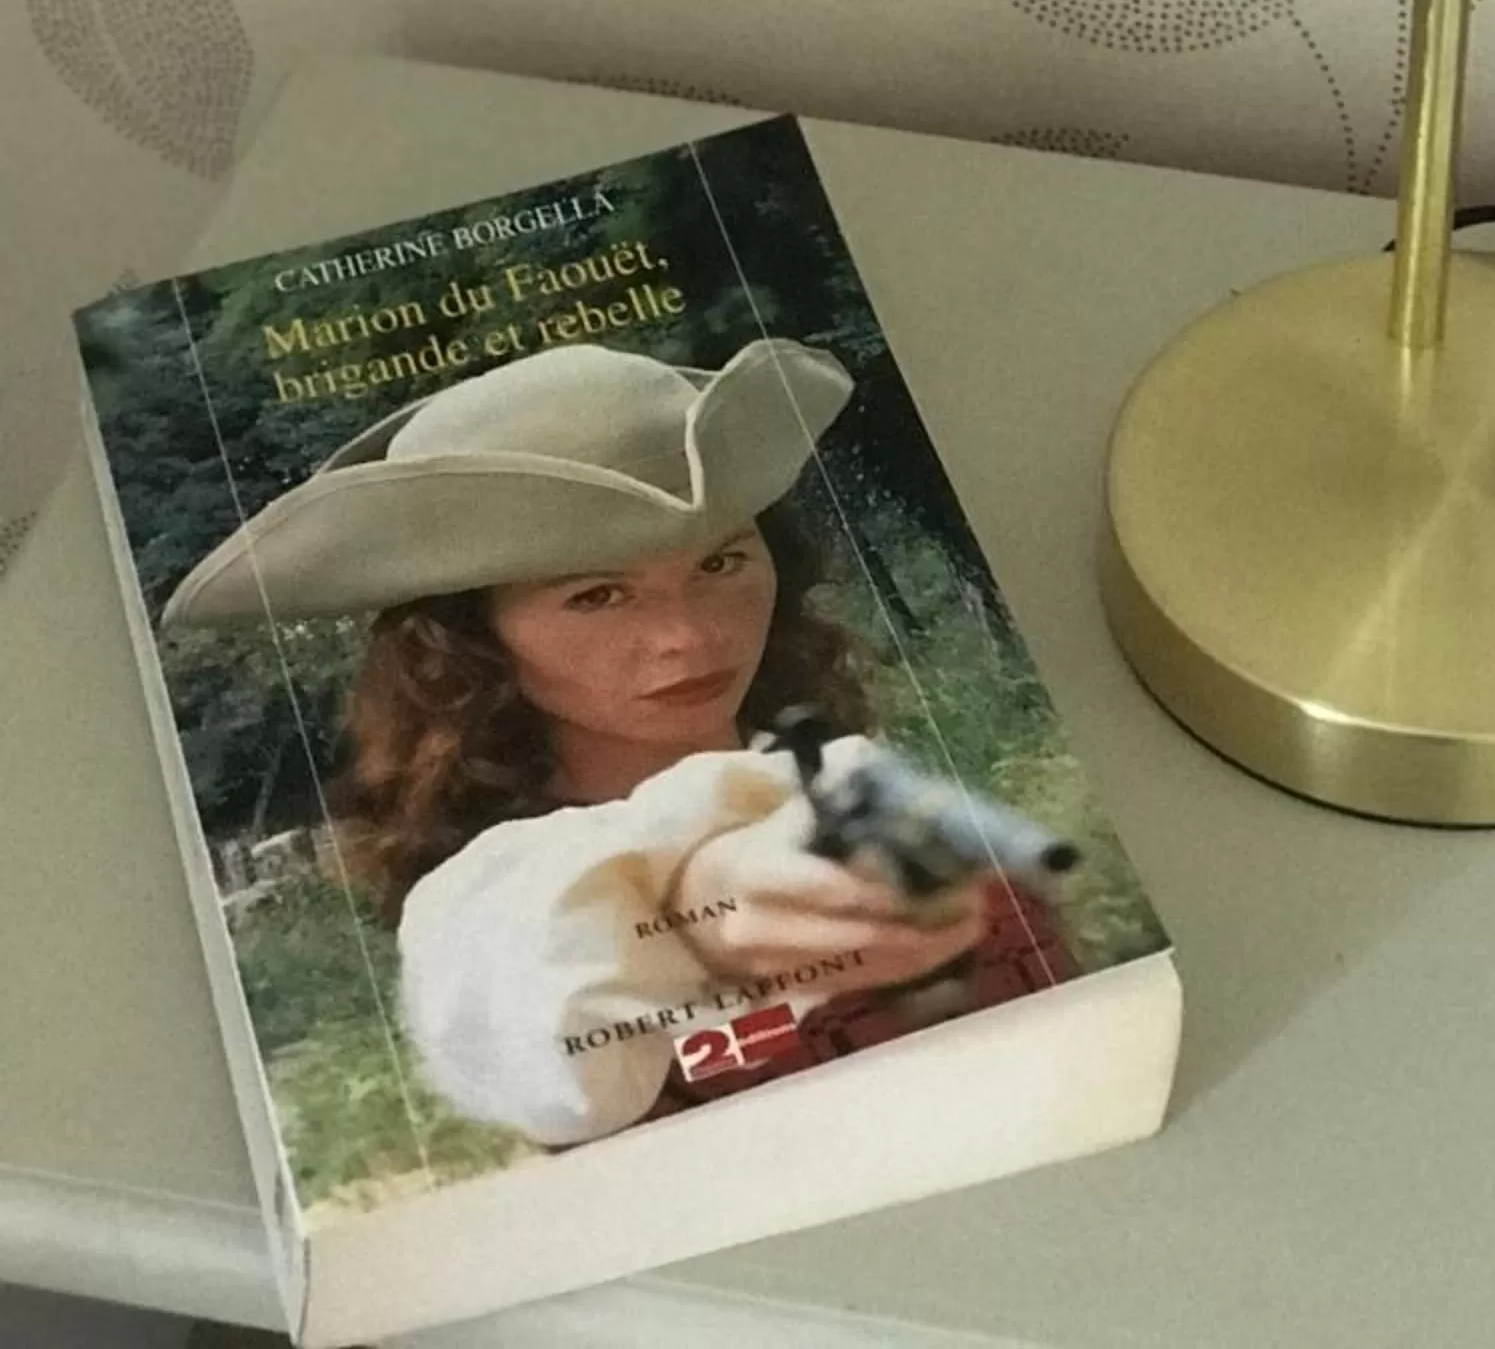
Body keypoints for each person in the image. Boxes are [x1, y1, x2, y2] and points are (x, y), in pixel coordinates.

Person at [164, 337, 1067, 1147]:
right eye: (596, 594)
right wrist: (691, 893)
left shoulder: (858, 777)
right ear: (468, 642)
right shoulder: (498, 904)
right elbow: (528, 977)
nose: (689, 636)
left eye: (719, 562)